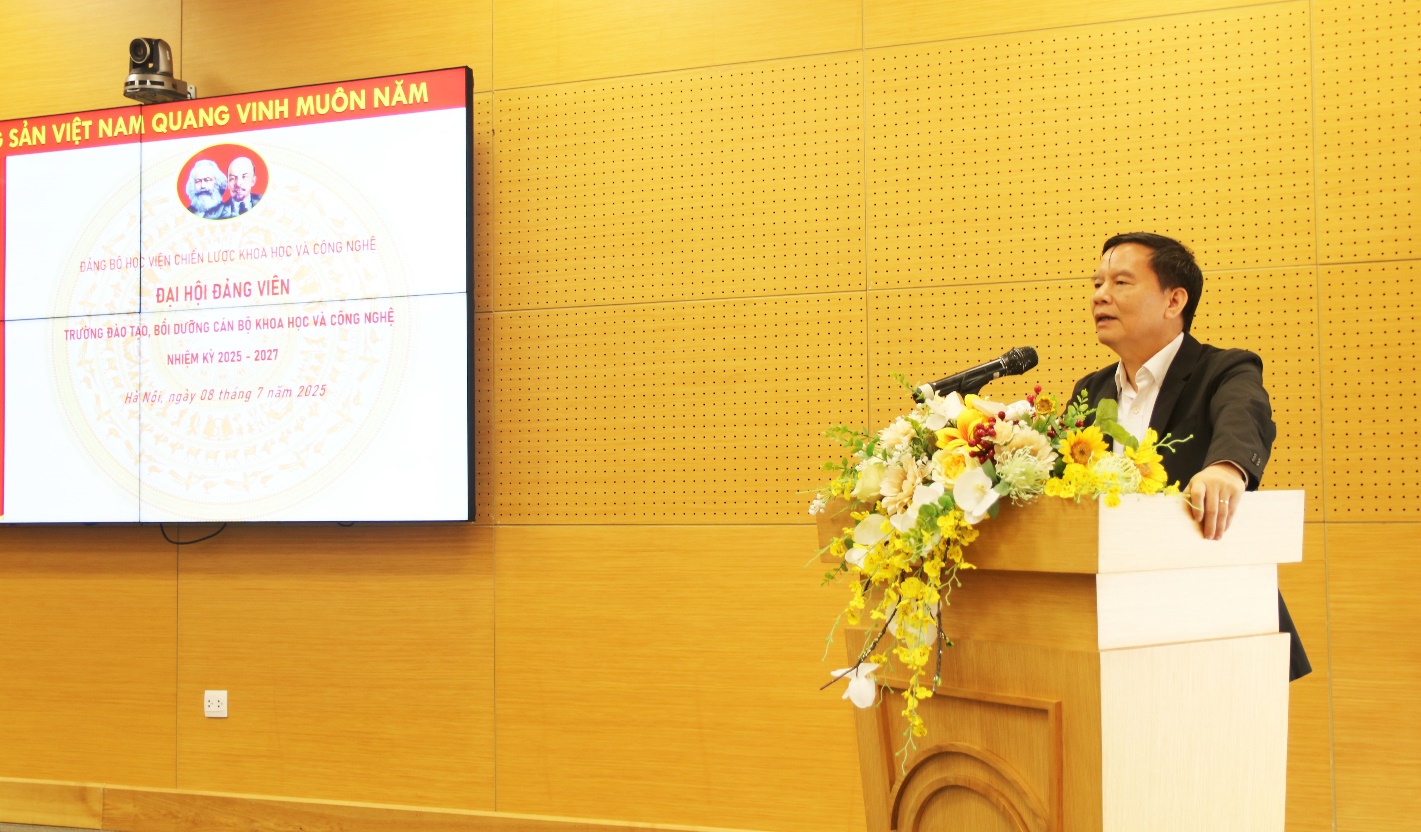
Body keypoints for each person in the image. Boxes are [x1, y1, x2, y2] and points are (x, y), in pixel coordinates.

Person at [1071, 232, 1311, 681]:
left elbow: (1244, 415)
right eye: (1097, 283)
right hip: (1114, 627)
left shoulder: (1224, 370)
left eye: (1120, 282)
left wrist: (1227, 468)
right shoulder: (1091, 390)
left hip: (1213, 622)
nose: (1099, 295)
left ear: (1174, 300)